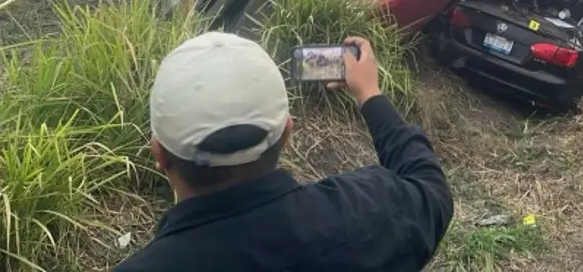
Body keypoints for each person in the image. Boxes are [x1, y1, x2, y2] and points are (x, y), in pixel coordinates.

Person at [113, 32, 454, 272]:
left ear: (159, 154)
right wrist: (370, 94)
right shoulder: (374, 213)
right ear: (286, 134)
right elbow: (431, 188)